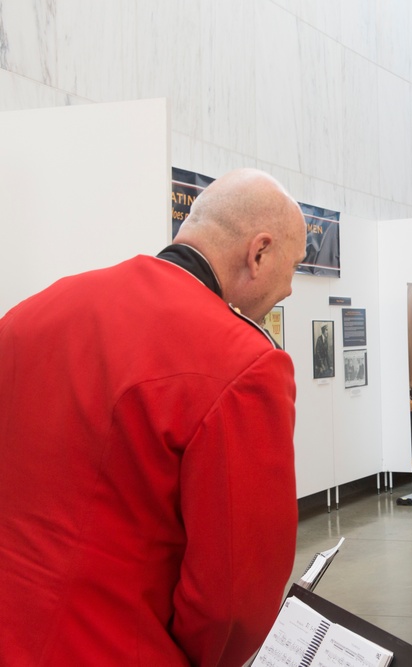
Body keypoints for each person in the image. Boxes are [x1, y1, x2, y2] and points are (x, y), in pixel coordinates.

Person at [0, 169, 306, 666]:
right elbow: (232, 602)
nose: (289, 291)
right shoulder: (244, 362)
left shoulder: (33, 312)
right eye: (291, 269)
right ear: (259, 252)